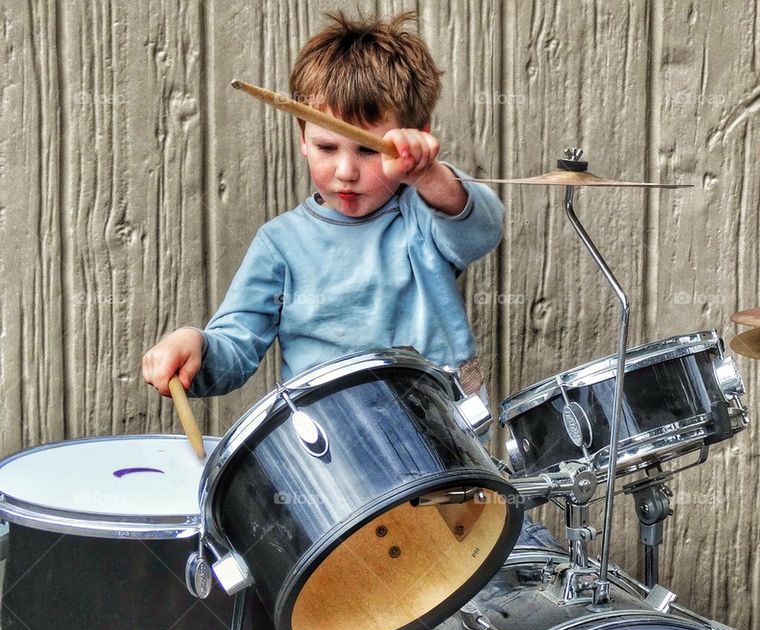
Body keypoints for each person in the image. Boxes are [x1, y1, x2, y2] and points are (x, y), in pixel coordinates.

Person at [140, 10, 558, 550]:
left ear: (412, 141)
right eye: (327, 146)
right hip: (330, 476)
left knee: (504, 567)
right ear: (301, 138)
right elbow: (234, 350)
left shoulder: (422, 219)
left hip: (441, 454)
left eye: (368, 149)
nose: (345, 170)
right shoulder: (280, 244)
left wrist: (429, 176)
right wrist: (194, 343)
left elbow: (480, 228)